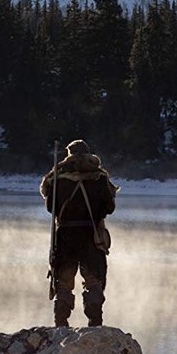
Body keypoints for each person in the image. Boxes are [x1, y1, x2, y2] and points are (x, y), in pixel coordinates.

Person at [40, 139, 118, 327]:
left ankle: (61, 323)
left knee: (63, 280)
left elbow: (51, 208)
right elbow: (109, 208)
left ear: (69, 154)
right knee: (93, 280)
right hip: (91, 236)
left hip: (65, 236)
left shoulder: (57, 179)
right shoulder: (100, 178)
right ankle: (95, 322)